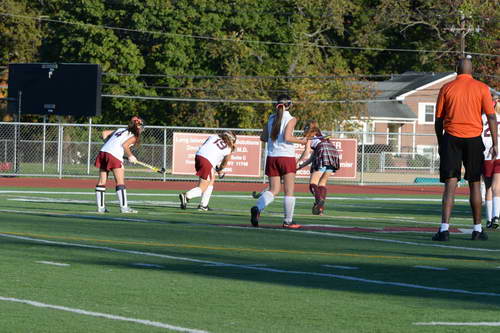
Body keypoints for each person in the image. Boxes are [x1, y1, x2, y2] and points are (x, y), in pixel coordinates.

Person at [433, 57, 497, 241]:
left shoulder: (447, 88)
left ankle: (444, 229)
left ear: (456, 69)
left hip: (451, 138)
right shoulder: (482, 88)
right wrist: (495, 143)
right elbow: (491, 117)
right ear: (472, 71)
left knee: (450, 184)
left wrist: (440, 142)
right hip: (473, 139)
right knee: (475, 183)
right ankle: (477, 229)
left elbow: (438, 120)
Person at [250, 94, 308, 229]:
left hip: (271, 157)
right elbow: (288, 137)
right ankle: (288, 221)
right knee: (289, 191)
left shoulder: (271, 118)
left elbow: (263, 138)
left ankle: (258, 208)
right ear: (290, 105)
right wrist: (302, 141)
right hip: (286, 157)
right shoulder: (291, 118)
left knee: (274, 189)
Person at [94, 116, 144, 213]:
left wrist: (110, 146)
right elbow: (124, 145)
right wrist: (130, 156)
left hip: (103, 152)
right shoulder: (134, 135)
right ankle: (124, 208)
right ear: (138, 126)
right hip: (114, 155)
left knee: (101, 181)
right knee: (120, 182)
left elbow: (104, 133)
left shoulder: (121, 129)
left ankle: (101, 208)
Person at [179, 131, 237, 211]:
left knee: (211, 179)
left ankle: (204, 205)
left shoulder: (213, 136)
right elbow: (224, 163)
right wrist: (220, 169)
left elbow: (207, 149)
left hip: (199, 156)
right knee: (202, 187)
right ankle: (187, 196)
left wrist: (216, 167)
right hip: (206, 161)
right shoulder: (228, 148)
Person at [296, 120, 340, 215]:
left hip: (323, 150)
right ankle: (320, 208)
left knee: (313, 183)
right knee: (322, 183)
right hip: (332, 151)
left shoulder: (310, 135)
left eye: (304, 128)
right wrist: (301, 166)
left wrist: (298, 162)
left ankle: (319, 200)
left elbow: (307, 151)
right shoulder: (321, 134)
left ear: (308, 128)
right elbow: (313, 157)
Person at [483, 92, 500, 229]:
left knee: (488, 187)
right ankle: (496, 216)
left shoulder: (481, 117)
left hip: (485, 155)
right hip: (498, 153)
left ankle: (489, 219)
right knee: (497, 187)